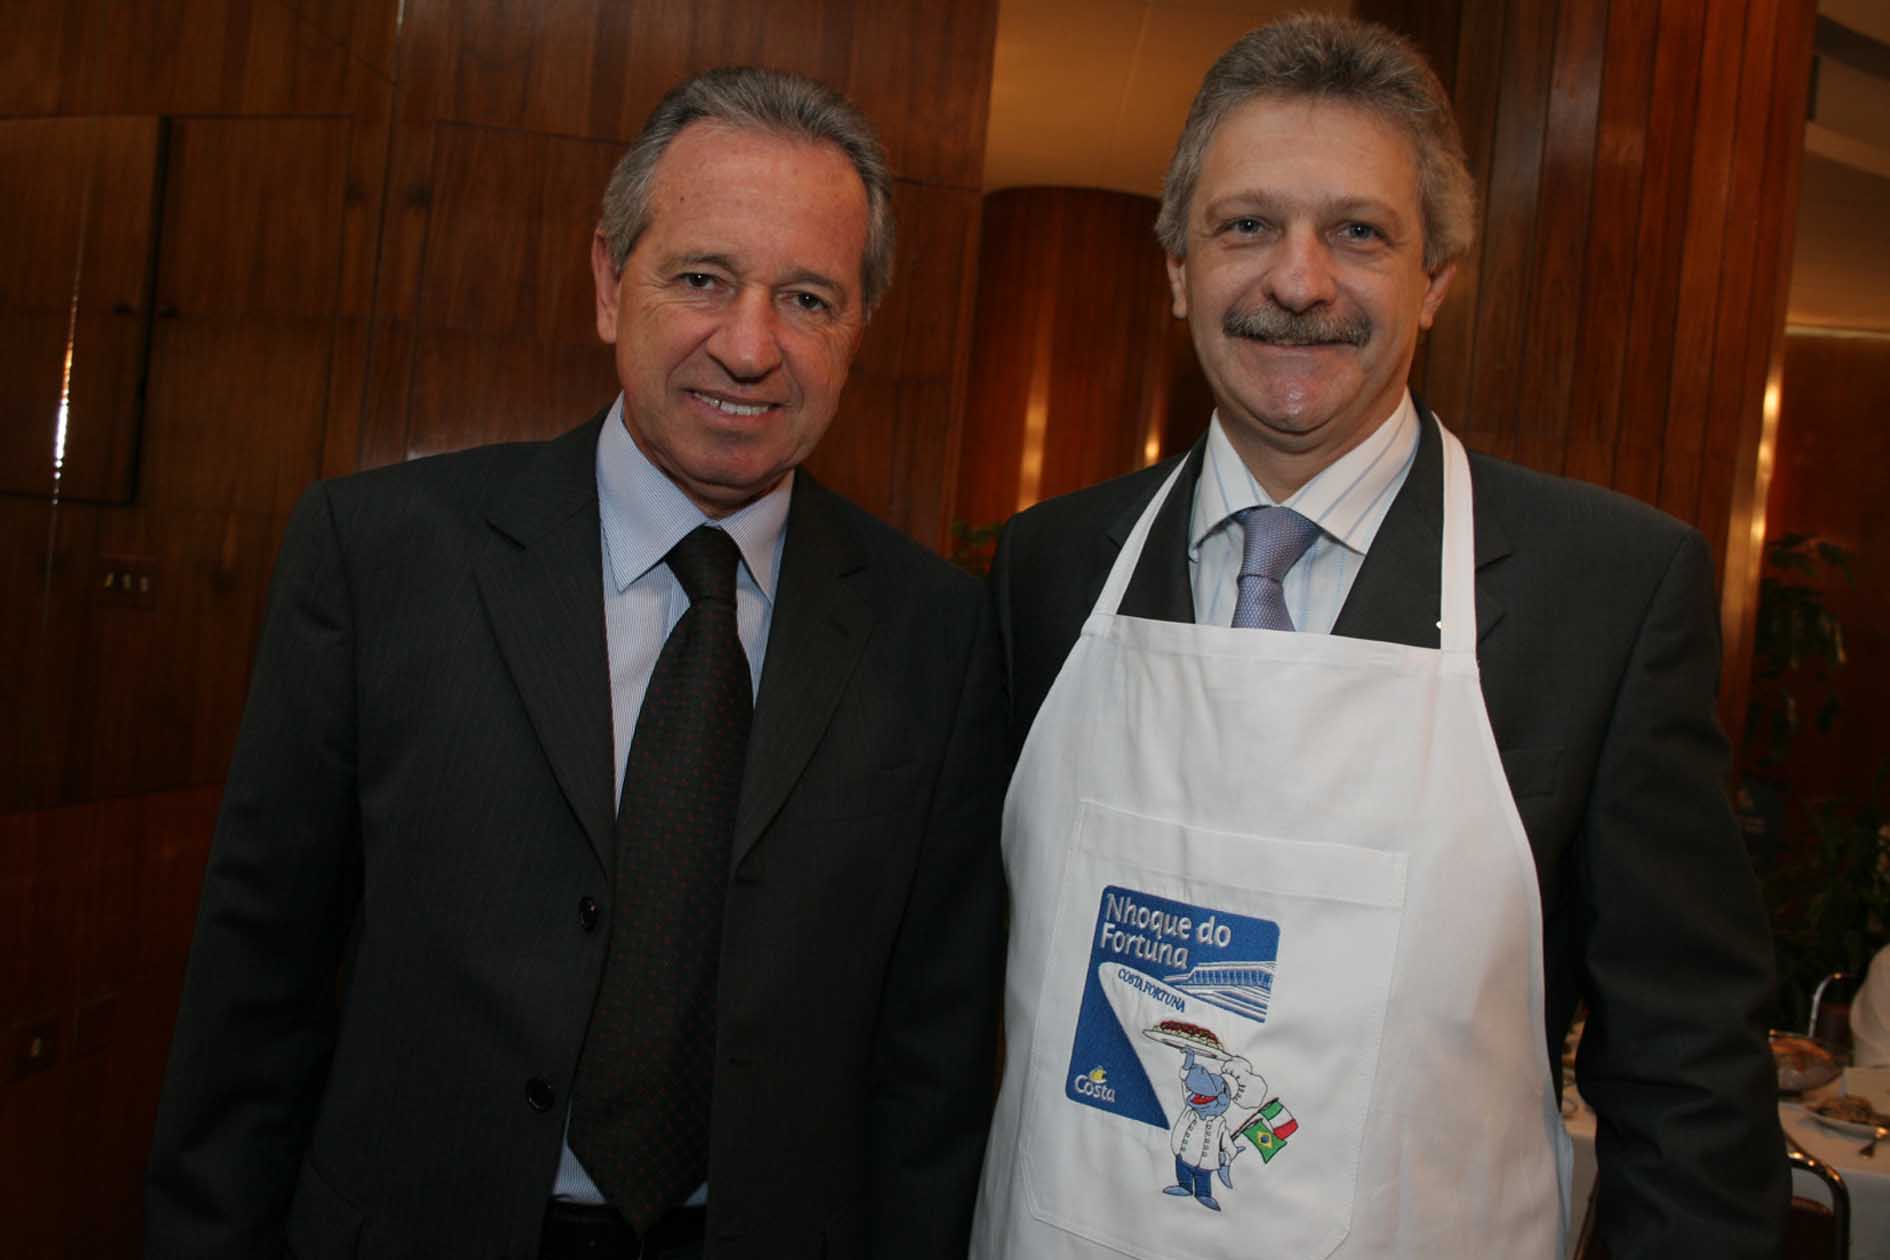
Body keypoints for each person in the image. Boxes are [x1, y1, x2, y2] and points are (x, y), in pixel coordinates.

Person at [146, 67, 1006, 1260]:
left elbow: (933, 1061)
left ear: (861, 325)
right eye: (702, 279)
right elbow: (257, 985)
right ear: (609, 281)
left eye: (808, 298)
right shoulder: (383, 557)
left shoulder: (938, 633)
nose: (749, 346)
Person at [971, 15, 1785, 1258]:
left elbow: (1690, 1089)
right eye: (1247, 225)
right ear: (1179, 268)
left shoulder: (1604, 595)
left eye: (1359, 232)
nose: (1298, 282)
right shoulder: (1050, 565)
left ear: (1437, 279)